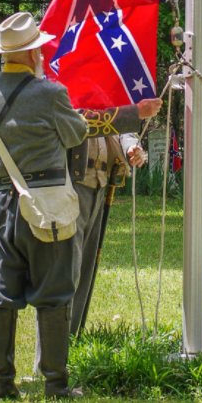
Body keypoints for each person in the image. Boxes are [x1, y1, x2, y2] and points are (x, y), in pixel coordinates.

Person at [0, 11, 161, 400]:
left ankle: (0, 383)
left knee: (0, 294)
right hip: (47, 205)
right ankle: (56, 385)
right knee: (56, 294)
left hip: (0, 204)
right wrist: (131, 114)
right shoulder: (50, 94)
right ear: (32, 54)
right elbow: (78, 130)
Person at [68, 134, 146, 335]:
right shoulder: (67, 100)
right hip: (72, 183)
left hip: (99, 184)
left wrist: (132, 147)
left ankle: (72, 336)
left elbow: (124, 131)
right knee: (68, 269)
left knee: (86, 266)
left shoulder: (109, 101)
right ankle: (57, 346)